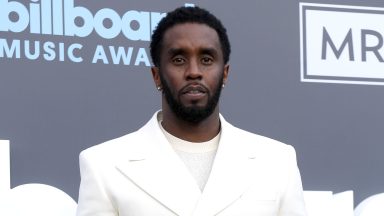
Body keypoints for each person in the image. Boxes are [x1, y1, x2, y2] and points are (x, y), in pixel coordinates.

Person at [76, 6, 307, 216]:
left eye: (206, 59)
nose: (194, 72)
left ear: (225, 73)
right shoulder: (103, 165)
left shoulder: (277, 162)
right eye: (178, 59)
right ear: (156, 75)